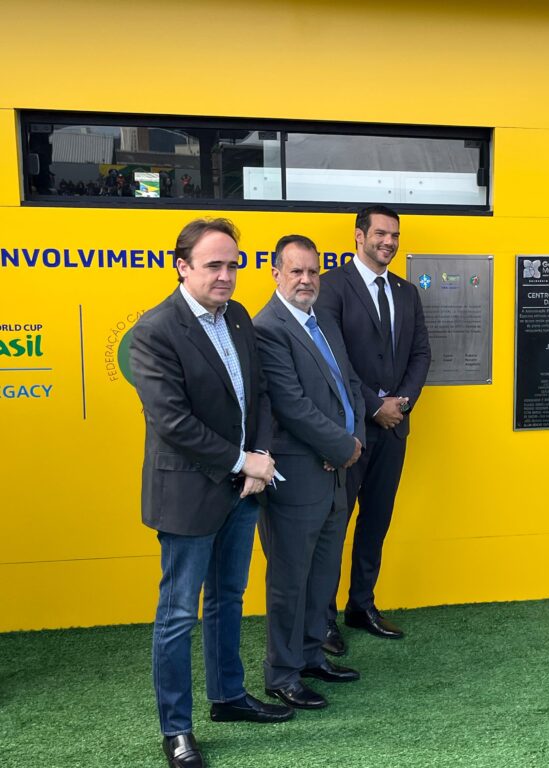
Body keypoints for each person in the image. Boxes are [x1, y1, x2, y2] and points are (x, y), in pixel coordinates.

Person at [130, 218, 294, 768]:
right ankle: (177, 730)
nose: (225, 275)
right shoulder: (156, 330)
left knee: (228, 598)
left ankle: (228, 697)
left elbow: (260, 396)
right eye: (213, 265)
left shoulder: (239, 317)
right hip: (188, 494)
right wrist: (243, 460)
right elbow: (173, 422)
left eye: (233, 264)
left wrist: (259, 457)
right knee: (178, 613)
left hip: (243, 489)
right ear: (182, 266)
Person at [253, 235, 365, 710]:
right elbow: (291, 405)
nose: (306, 280)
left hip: (335, 471)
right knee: (290, 580)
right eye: (296, 271)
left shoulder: (322, 320)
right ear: (276, 274)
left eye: (313, 271)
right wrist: (341, 446)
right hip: (299, 477)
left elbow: (350, 384)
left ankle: (311, 656)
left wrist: (352, 440)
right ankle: (282, 673)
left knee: (322, 575)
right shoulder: (267, 328)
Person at [315, 204, 431, 649]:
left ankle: (361, 605)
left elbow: (421, 353)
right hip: (349, 431)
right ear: (359, 236)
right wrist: (373, 405)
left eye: (395, 235)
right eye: (381, 233)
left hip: (394, 428)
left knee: (376, 521)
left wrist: (402, 403)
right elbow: (333, 359)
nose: (389, 242)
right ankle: (322, 619)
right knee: (334, 526)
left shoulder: (406, 292)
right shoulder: (331, 287)